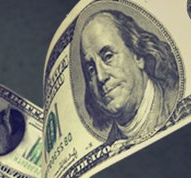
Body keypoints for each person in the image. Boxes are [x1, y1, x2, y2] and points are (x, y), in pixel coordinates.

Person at [75, 7, 181, 145]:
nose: (101, 77)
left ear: (137, 55)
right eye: (91, 69)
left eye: (108, 57)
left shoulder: (177, 103)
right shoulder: (109, 148)